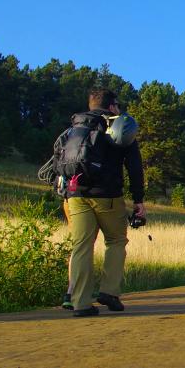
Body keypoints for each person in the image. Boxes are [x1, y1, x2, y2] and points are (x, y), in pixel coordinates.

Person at [66, 88, 146, 317]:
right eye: (117, 106)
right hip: (108, 195)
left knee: (82, 247)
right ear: (112, 106)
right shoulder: (119, 126)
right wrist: (138, 200)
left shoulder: (76, 126)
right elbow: (134, 167)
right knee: (116, 240)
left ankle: (80, 303)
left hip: (76, 195)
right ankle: (109, 291)